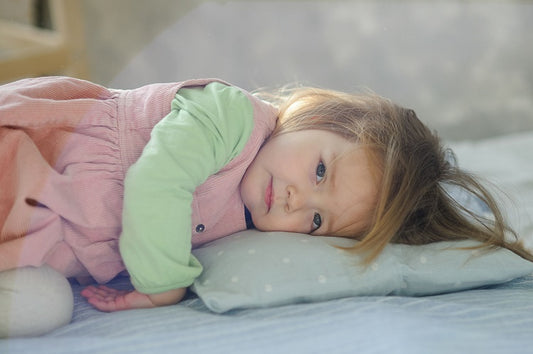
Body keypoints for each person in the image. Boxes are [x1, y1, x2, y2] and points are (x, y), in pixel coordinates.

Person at [0, 76, 530, 336]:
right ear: (317, 117)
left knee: (44, 306)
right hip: (30, 159)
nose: (299, 202)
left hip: (39, 234)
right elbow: (156, 182)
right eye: (320, 170)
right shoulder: (231, 117)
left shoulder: (249, 220)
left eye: (317, 222)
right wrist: (164, 285)